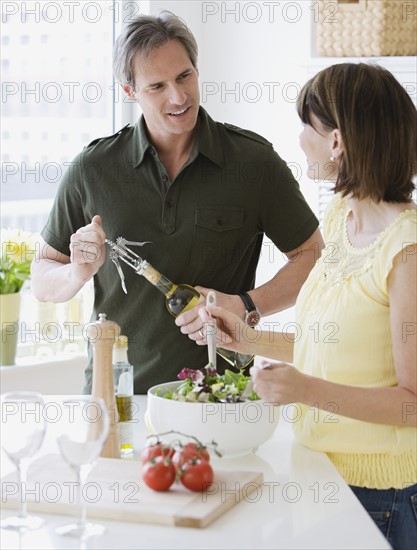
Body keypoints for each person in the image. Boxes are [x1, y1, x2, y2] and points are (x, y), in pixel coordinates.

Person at [30, 12, 323, 393]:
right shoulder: (93, 168)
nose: (178, 97)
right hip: (117, 396)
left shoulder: (254, 162)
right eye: (157, 86)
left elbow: (313, 256)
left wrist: (246, 305)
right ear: (129, 91)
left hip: (221, 395)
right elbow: (42, 278)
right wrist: (77, 273)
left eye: (184, 76)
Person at [196, 63, 417, 550]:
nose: (299, 140)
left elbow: (412, 402)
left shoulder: (407, 252)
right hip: (319, 470)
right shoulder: (342, 219)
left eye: (306, 126)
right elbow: (332, 346)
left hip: (381, 496)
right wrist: (248, 337)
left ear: (336, 142)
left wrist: (305, 390)